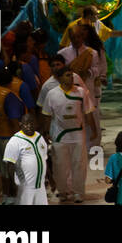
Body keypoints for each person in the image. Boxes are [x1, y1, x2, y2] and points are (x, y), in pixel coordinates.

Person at [39, 68, 96, 203]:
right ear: (59, 78)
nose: (71, 78)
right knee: (60, 166)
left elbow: (88, 112)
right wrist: (46, 133)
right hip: (59, 135)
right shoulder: (52, 94)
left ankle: (78, 193)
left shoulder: (81, 92)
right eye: (68, 75)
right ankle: (63, 191)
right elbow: (46, 115)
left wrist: (94, 130)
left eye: (71, 75)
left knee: (79, 164)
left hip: (77, 134)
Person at [0, 110, 48, 205]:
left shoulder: (39, 137)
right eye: (26, 124)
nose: (29, 126)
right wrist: (12, 184)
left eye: (32, 123)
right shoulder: (15, 141)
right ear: (20, 124)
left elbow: (44, 159)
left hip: (40, 186)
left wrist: (50, 178)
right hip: (25, 186)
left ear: (36, 124)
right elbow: (10, 165)